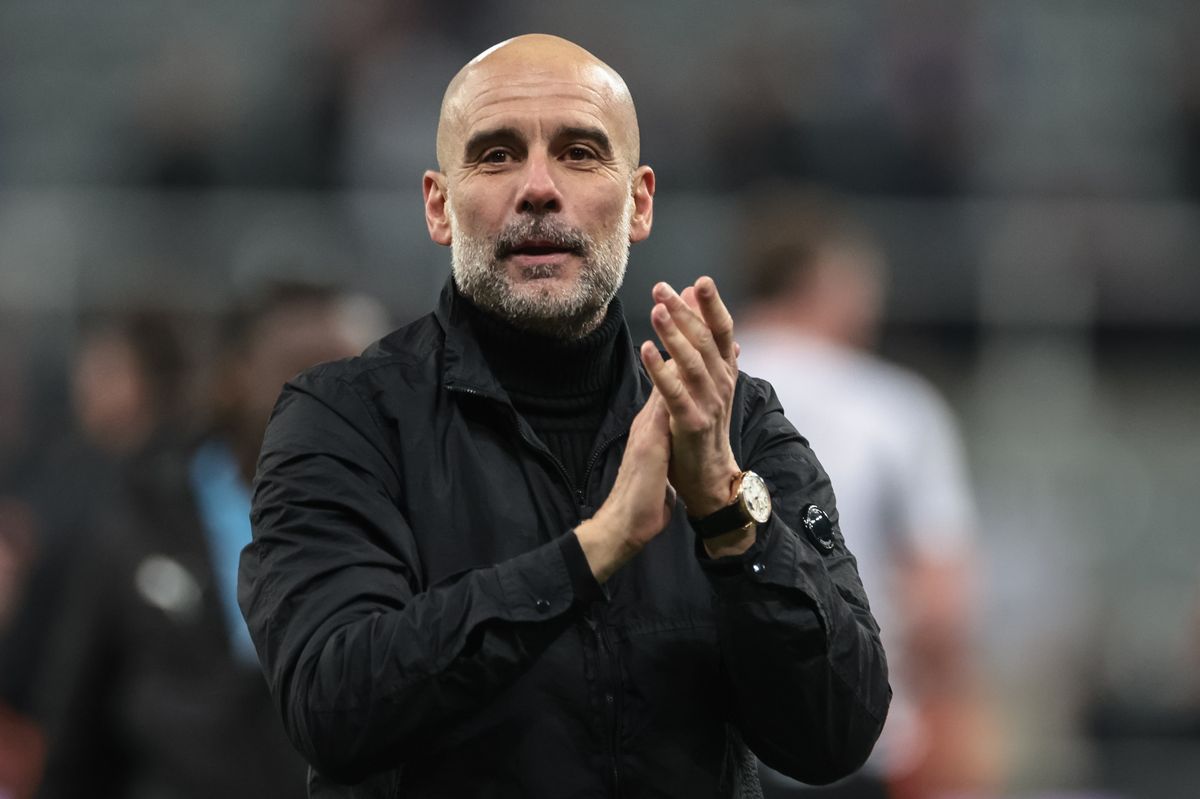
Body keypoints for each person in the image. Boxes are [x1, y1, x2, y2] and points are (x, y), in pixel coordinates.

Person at [239, 34, 890, 798]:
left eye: (580, 152)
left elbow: (836, 732)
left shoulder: (731, 420)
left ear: (640, 201)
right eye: (496, 155)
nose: (540, 188)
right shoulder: (343, 420)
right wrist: (593, 550)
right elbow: (331, 704)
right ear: (439, 206)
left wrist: (727, 515)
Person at [32, 285, 385, 799]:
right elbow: (75, 730)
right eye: (302, 366)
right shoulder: (143, 519)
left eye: (353, 371)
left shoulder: (408, 526)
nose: (332, 393)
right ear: (235, 377)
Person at [735, 191, 996, 798]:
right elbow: (940, 601)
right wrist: (948, 722)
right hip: (850, 732)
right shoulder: (895, 408)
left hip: (708, 730)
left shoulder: (677, 385)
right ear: (829, 280)